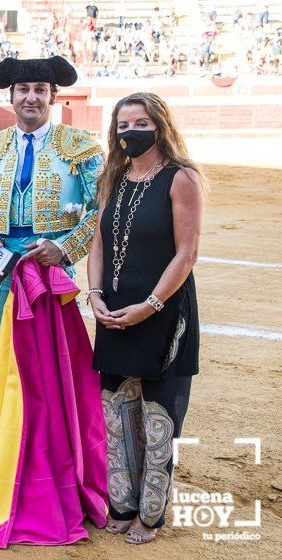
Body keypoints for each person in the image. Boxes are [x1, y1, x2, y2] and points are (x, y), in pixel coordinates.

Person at [0, 56, 108, 549]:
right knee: (2, 367)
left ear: (53, 96)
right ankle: (7, 468)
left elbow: (101, 208)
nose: (31, 98)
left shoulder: (80, 148)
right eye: (23, 89)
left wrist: (64, 247)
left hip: (49, 276)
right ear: (10, 96)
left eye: (40, 89)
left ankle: (51, 470)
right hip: (3, 273)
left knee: (50, 372)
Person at [88, 92, 204, 545]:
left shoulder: (181, 178)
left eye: (140, 123)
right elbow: (98, 244)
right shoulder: (112, 177)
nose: (130, 132)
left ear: (160, 126)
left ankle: (151, 513)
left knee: (158, 414)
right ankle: (121, 502)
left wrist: (150, 305)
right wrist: (95, 294)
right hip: (115, 307)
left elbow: (187, 252)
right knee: (117, 411)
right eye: (123, 125)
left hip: (163, 309)